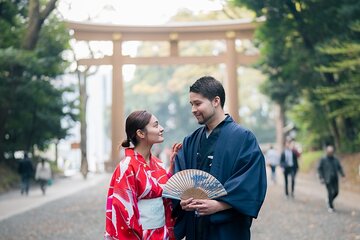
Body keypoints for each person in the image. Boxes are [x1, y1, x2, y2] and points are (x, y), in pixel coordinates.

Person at [172, 76, 267, 240]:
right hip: (196, 228)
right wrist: (183, 201)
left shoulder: (243, 138)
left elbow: (250, 182)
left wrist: (219, 205)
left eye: (198, 103)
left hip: (226, 229)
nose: (193, 109)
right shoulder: (190, 140)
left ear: (216, 101)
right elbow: (180, 178)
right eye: (191, 104)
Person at [104, 110, 175, 240]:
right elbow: (123, 211)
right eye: (155, 125)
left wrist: (173, 167)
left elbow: (166, 195)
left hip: (162, 234)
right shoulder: (127, 167)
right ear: (140, 133)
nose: (161, 129)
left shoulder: (159, 164)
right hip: (141, 235)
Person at [317, 145, 345, 213]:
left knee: (336, 192)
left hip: (335, 178)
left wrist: (342, 174)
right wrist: (321, 177)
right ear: (327, 151)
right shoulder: (323, 159)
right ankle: (330, 206)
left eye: (331, 151)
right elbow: (319, 169)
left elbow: (339, 167)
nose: (330, 152)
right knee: (330, 192)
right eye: (329, 151)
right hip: (327, 179)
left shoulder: (335, 159)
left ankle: (329, 200)